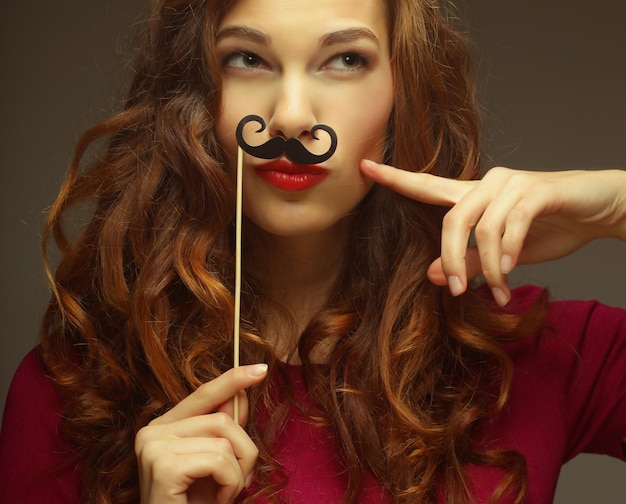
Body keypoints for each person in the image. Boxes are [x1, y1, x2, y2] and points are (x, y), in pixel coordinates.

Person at [0, 0, 624, 503]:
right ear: (192, 98)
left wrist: (615, 205)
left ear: (404, 90)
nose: (291, 117)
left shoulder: (539, 356)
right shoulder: (75, 390)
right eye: (247, 58)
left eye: (345, 60)